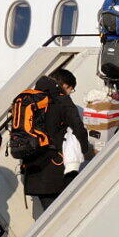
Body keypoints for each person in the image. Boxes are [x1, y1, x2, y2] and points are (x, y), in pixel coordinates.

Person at [23, 69, 89, 210]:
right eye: (71, 89)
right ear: (64, 86)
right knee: (64, 216)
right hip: (56, 169)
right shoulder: (62, 99)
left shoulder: (31, 98)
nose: (71, 92)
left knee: (48, 217)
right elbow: (78, 129)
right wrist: (85, 150)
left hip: (33, 169)